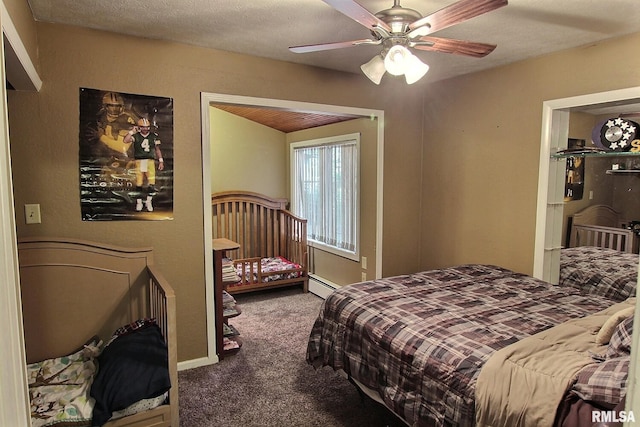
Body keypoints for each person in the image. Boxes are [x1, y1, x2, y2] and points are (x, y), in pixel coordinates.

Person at [124, 118, 164, 212]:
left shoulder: (153, 136)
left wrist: (161, 160)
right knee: (139, 183)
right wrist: (131, 132)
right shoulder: (136, 135)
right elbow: (125, 140)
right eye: (143, 127)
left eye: (147, 127)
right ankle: (139, 202)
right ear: (139, 127)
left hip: (150, 161)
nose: (145, 129)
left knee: (151, 183)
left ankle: (148, 201)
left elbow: (157, 149)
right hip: (139, 161)